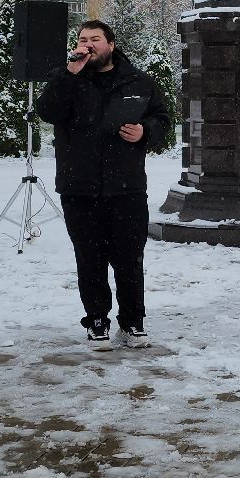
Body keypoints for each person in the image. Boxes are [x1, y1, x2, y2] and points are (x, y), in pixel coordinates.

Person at [35, 19, 171, 350]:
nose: (88, 44)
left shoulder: (137, 81)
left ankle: (133, 322)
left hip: (126, 188)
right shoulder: (66, 78)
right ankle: (97, 321)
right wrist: (69, 74)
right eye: (83, 39)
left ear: (111, 44)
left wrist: (146, 132)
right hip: (79, 188)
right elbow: (47, 111)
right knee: (90, 258)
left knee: (128, 258)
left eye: (95, 39)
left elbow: (163, 119)